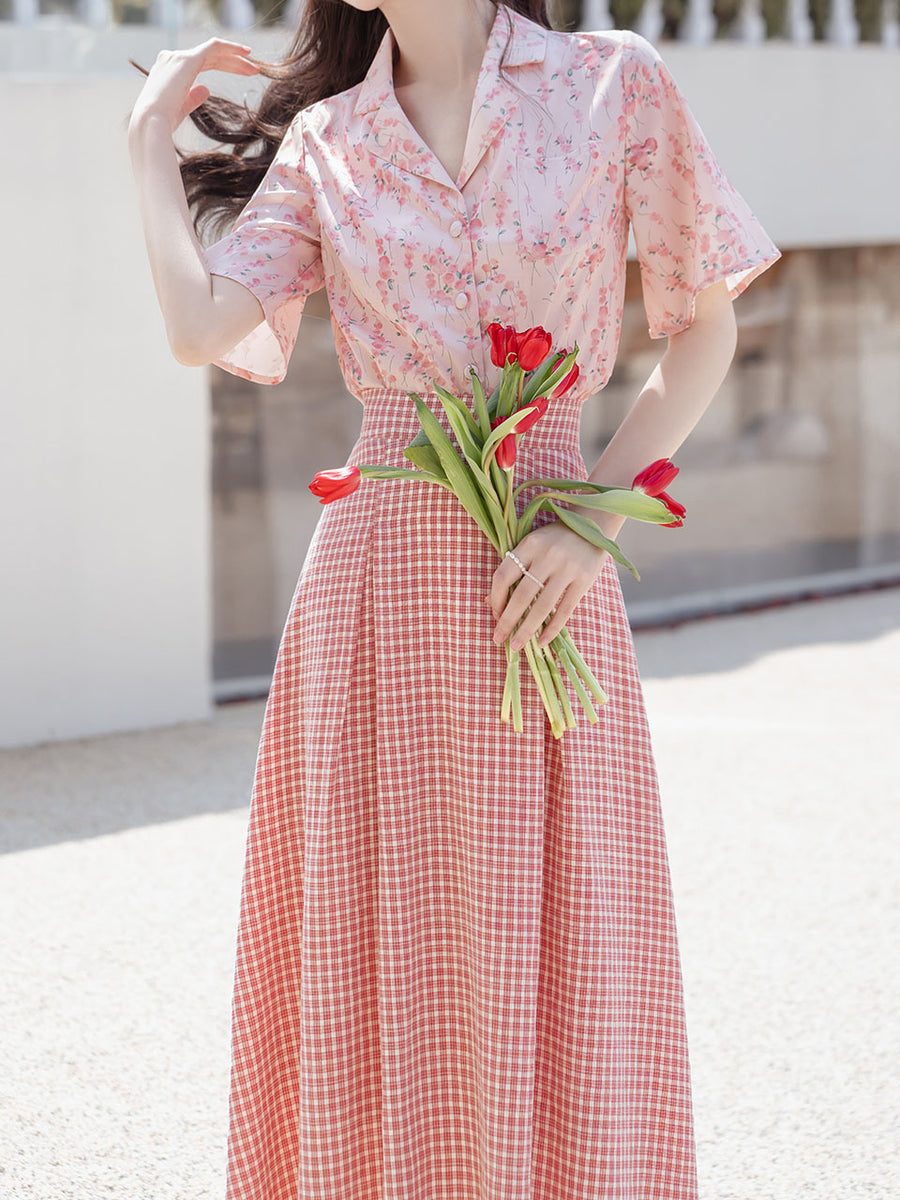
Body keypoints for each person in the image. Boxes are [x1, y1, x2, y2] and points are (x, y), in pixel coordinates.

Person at [128, 2, 780, 1198]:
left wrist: (591, 518)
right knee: (391, 945)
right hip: (379, 580)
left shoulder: (610, 84)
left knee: (570, 930)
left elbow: (702, 330)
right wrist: (144, 151)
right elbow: (201, 331)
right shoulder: (330, 139)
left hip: (546, 557)